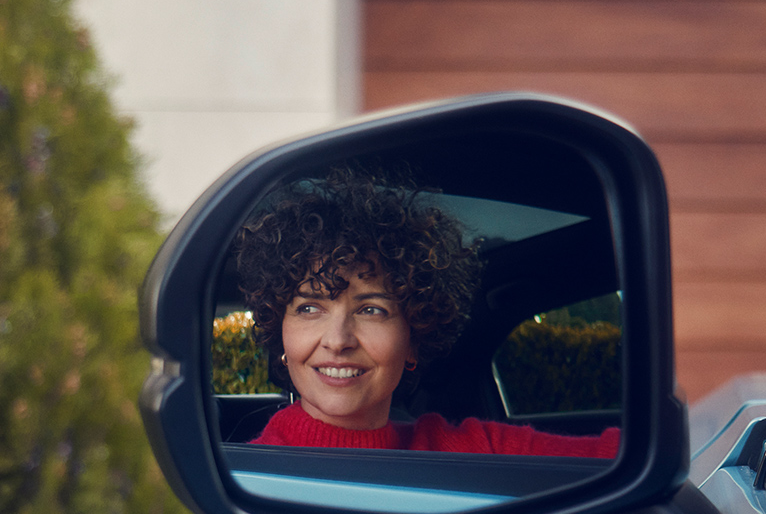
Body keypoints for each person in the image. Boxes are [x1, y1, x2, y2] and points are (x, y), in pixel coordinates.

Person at [235, 171, 619, 457]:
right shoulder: (246, 475)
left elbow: (623, 458)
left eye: (371, 309)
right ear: (280, 333)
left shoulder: (479, 449)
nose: (338, 340)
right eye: (309, 308)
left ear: (413, 339)